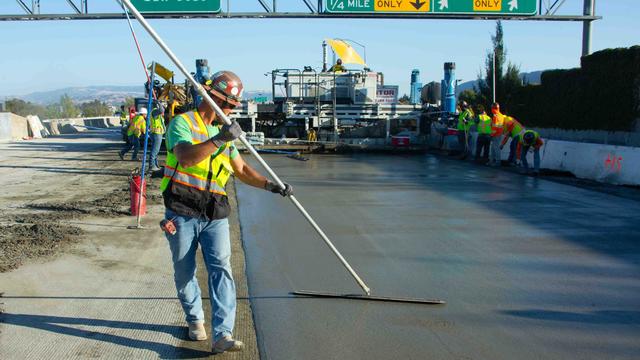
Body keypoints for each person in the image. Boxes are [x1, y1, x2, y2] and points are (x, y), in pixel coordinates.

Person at [160, 70, 293, 355]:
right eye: (229, 104)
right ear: (212, 99)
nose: (231, 110)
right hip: (181, 211)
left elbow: (242, 170)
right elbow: (185, 157)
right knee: (185, 273)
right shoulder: (182, 123)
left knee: (222, 270)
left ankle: (223, 334)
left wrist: (272, 185)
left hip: (214, 213)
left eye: (233, 106)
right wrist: (219, 139)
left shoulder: (225, 134)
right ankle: (195, 318)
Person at [149, 107, 166, 171]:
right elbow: (161, 110)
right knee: (155, 151)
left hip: (158, 133)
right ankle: (152, 166)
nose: (163, 113)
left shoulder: (158, 116)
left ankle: (155, 165)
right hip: (156, 133)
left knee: (156, 151)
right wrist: (160, 103)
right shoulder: (155, 113)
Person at [488, 102, 505, 166]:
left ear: (493, 108)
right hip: (498, 134)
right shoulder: (500, 115)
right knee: (493, 148)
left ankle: (497, 162)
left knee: (496, 148)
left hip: (496, 135)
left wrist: (491, 135)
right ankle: (491, 161)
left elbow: (494, 128)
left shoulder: (495, 116)